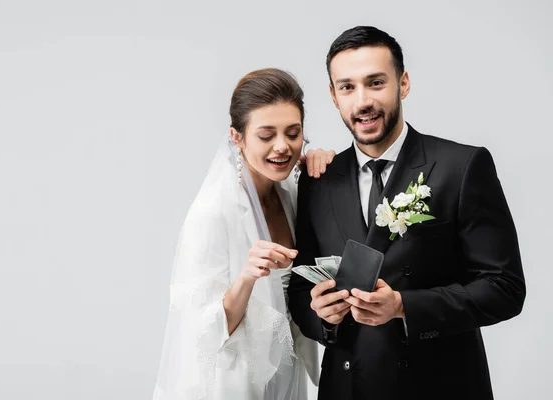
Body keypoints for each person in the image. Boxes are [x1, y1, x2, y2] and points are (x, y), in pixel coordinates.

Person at [287, 26, 526, 400]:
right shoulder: (319, 180)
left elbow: (505, 288)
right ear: (334, 97)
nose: (362, 101)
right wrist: (321, 315)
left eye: (376, 82)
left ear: (404, 83)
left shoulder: (461, 167)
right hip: (347, 388)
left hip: (440, 387)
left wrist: (403, 307)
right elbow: (300, 289)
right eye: (347, 87)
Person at [153, 68, 336, 400]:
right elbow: (200, 331)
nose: (283, 147)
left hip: (288, 372)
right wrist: (247, 277)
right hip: (231, 382)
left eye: (293, 133)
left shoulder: (293, 193)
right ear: (237, 137)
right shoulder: (212, 212)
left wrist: (329, 169)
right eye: (267, 135)